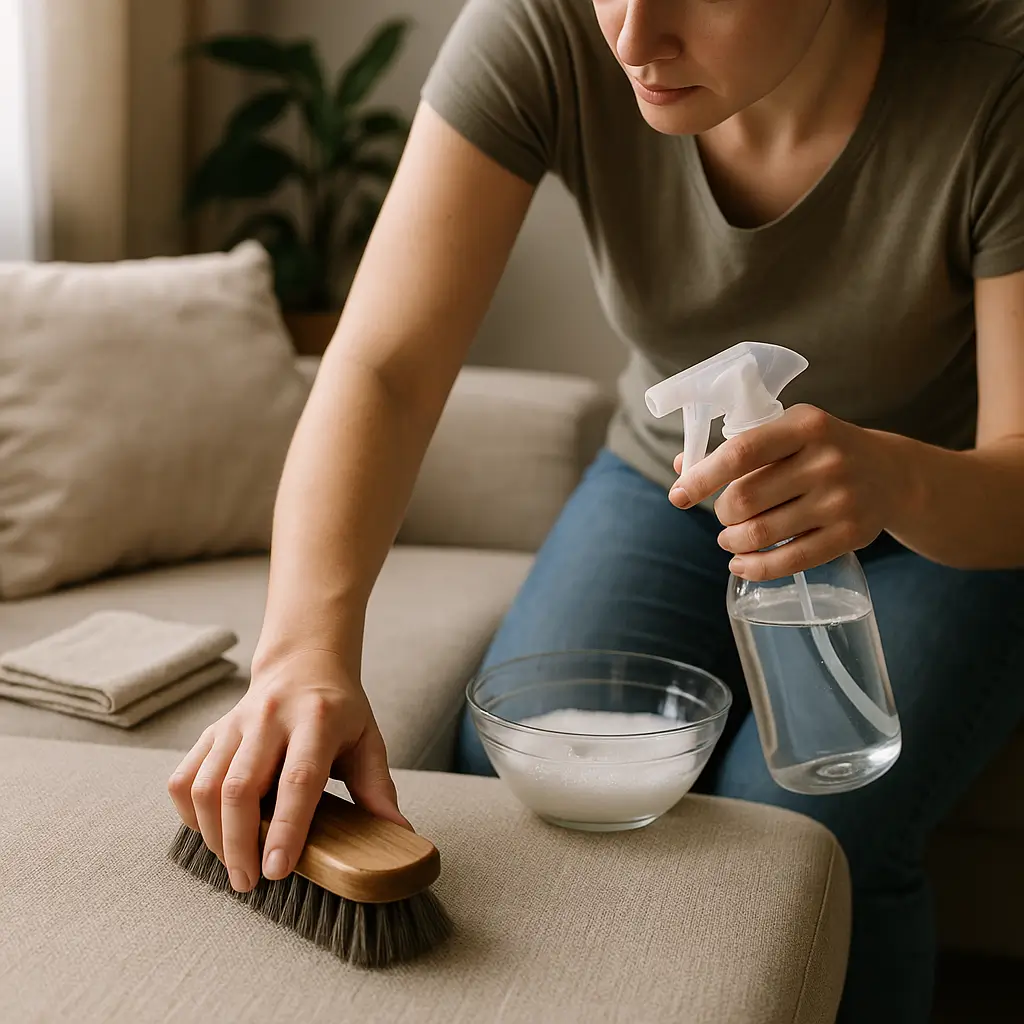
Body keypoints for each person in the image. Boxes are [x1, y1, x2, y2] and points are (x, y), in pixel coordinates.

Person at [167, 0, 1024, 1019]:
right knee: (522, 763)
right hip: (667, 483)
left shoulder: (994, 82)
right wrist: (302, 647)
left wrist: (891, 480)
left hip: (940, 519)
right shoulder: (541, 26)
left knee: (809, 828)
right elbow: (388, 366)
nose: (630, 38)